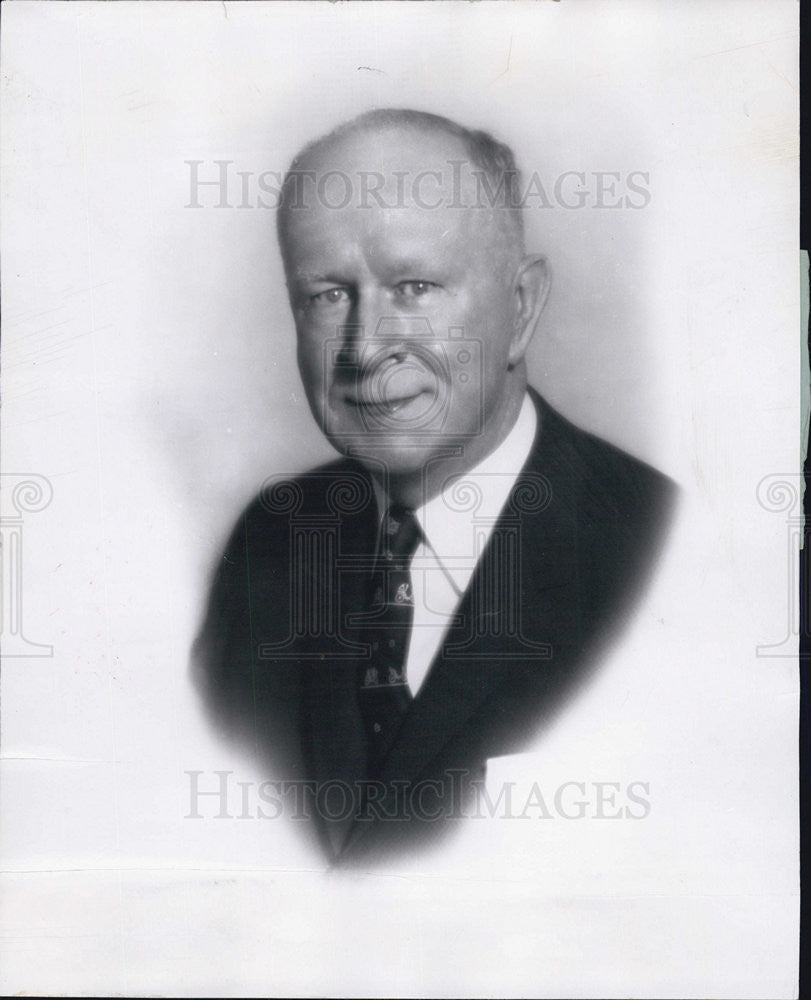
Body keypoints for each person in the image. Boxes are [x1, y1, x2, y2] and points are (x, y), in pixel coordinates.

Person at [193, 108, 676, 865]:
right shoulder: (270, 544)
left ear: (519, 309)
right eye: (326, 295)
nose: (364, 347)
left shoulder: (664, 554)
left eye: (413, 287)